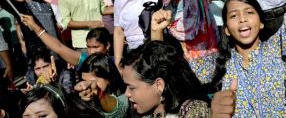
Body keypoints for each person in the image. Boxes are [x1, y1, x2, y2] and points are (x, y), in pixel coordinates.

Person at [75, 41, 210, 118]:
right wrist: (98, 93)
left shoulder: (194, 110)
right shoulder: (143, 106)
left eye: (132, 88)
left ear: (159, 85)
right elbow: (117, 106)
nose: (127, 93)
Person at [21, 14, 111, 67]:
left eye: (95, 47)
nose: (91, 51)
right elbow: (58, 47)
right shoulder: (85, 60)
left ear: (107, 46)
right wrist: (35, 27)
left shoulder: (116, 62)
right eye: (88, 47)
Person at [75, 53, 126, 118]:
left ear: (108, 79)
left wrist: (99, 94)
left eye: (93, 81)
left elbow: (120, 108)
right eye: (84, 80)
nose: (87, 86)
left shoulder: (126, 97)